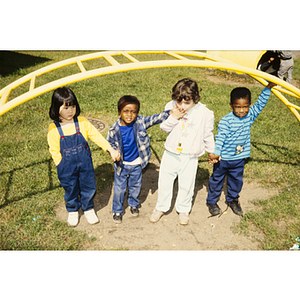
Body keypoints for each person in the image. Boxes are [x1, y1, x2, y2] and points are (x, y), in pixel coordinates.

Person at [47, 87, 120, 227]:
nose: (70, 111)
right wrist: (60, 164)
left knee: (88, 186)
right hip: (65, 166)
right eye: (66, 107)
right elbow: (54, 149)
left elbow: (97, 137)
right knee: (70, 187)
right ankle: (73, 209)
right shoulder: (54, 129)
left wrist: (110, 149)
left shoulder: (82, 122)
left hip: (84, 163)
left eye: (73, 106)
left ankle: (88, 207)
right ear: (56, 108)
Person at [150, 78, 215, 225]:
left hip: (189, 156)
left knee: (187, 184)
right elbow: (164, 128)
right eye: (179, 101)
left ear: (195, 99)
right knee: (165, 182)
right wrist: (174, 117)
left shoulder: (204, 113)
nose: (182, 106)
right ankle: (161, 207)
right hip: (171, 153)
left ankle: (183, 209)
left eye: (187, 102)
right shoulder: (171, 107)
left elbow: (207, 133)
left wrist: (212, 150)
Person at [206, 82, 276, 217]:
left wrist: (268, 88)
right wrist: (216, 153)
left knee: (236, 180)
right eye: (237, 107)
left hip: (239, 159)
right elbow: (220, 138)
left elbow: (260, 104)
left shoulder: (249, 117)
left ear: (249, 105)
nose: (242, 111)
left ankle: (232, 200)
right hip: (223, 159)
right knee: (216, 180)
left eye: (245, 107)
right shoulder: (226, 121)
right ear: (231, 105)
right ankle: (212, 202)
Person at [107, 95, 173, 223]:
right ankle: (117, 210)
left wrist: (169, 113)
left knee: (135, 186)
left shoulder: (140, 122)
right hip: (122, 165)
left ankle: (133, 204)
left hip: (137, 163)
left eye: (133, 112)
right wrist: (113, 151)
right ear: (119, 112)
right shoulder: (114, 129)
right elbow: (109, 143)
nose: (129, 115)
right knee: (119, 189)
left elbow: (155, 119)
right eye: (126, 111)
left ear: (137, 113)